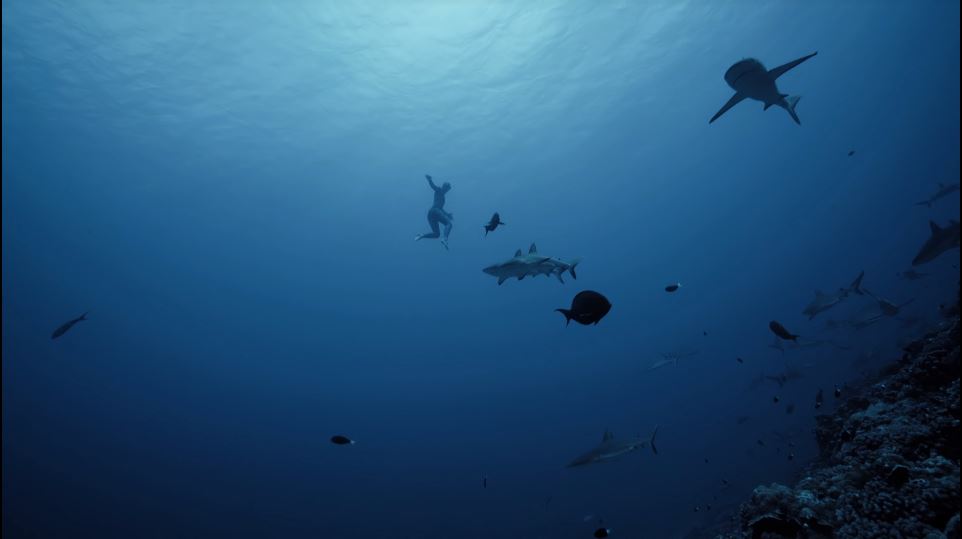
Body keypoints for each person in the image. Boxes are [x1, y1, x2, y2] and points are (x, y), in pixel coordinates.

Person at [415, 174, 453, 248]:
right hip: (435, 211)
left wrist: (447, 214)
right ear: (444, 187)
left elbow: (441, 208)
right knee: (449, 224)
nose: (447, 190)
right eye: (447, 188)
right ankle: (445, 239)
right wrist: (429, 180)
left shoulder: (443, 197)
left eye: (448, 189)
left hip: (431, 215)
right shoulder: (439, 190)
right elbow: (433, 186)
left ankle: (422, 236)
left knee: (436, 234)